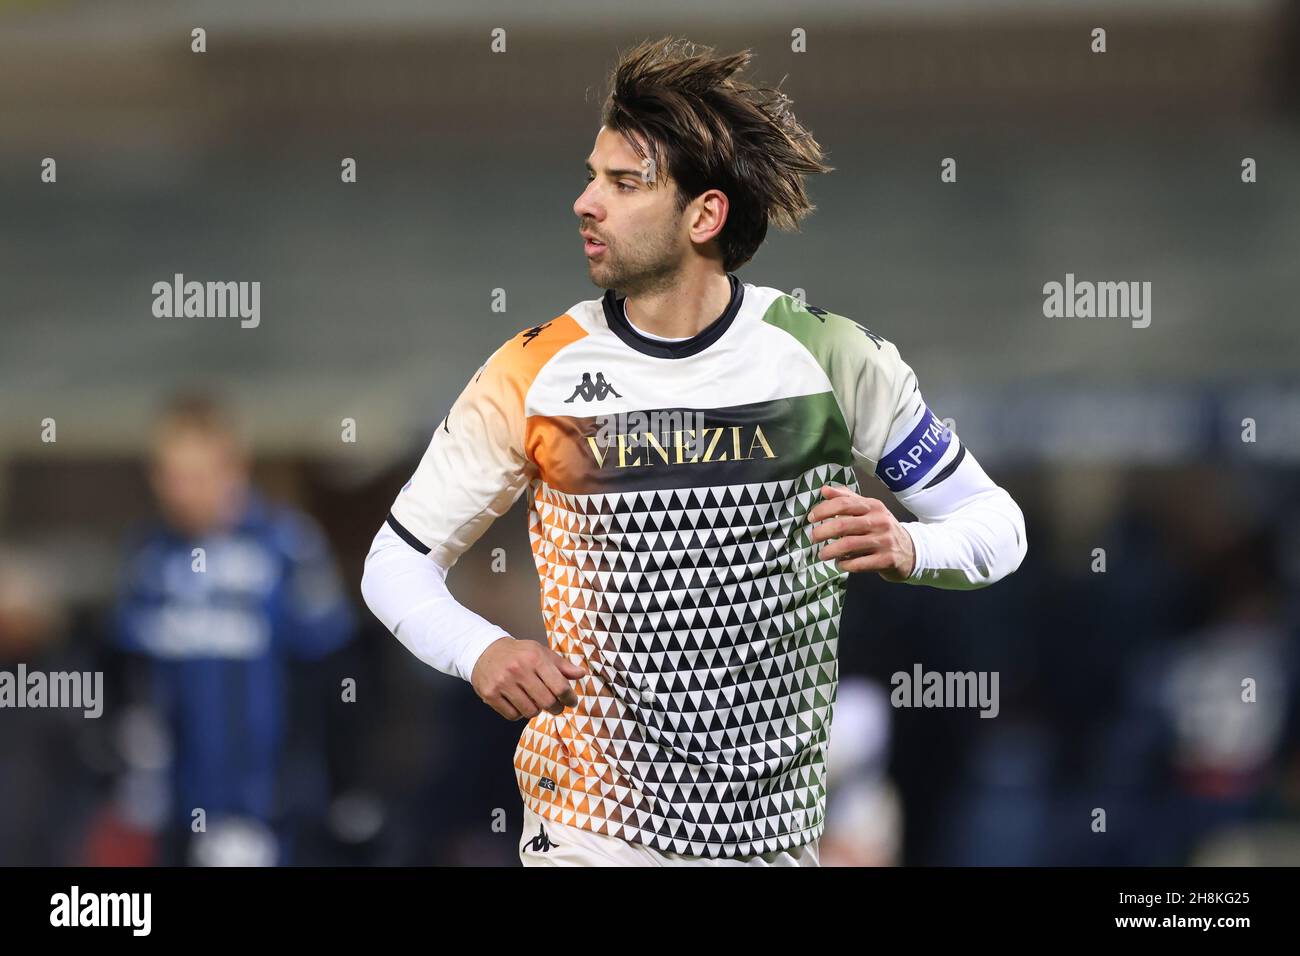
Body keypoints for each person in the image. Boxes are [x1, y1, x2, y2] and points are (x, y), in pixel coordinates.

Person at [361, 36, 1027, 867]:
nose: (584, 202)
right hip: (586, 840)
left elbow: (999, 525)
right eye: (592, 175)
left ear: (704, 215)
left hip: (767, 847)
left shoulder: (832, 358)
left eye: (623, 183)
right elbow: (395, 562)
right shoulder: (532, 370)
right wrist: (480, 649)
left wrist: (909, 543)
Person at [112, 391, 354, 865]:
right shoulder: (149, 555)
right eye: (171, 476)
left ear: (234, 469)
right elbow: (129, 674)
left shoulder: (286, 546)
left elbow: (331, 675)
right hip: (176, 806)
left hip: (274, 807)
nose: (183, 492)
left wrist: (337, 787)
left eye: (197, 475)